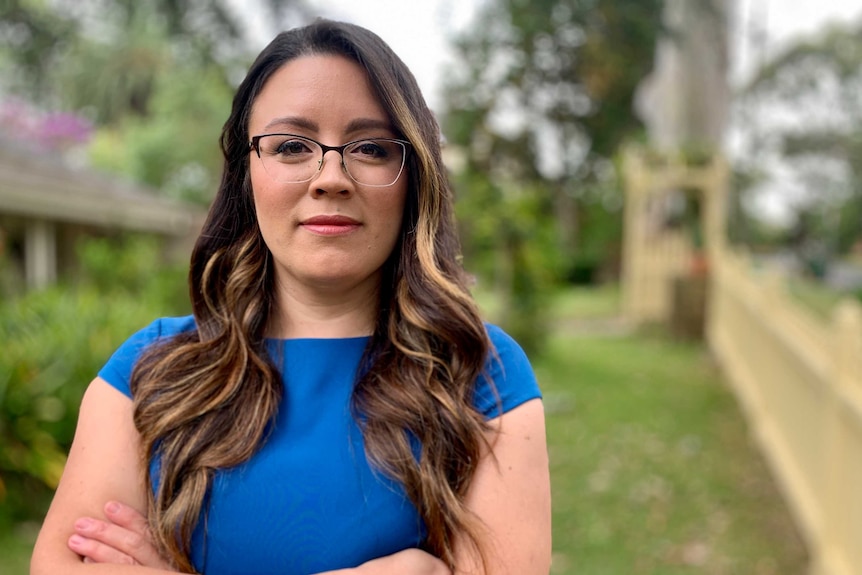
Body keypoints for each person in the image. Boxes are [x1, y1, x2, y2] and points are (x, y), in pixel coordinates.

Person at [30, 19, 551, 575]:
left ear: (412, 176)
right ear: (246, 174)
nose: (330, 177)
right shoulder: (148, 371)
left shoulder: (481, 374)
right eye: (292, 146)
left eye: (371, 147)